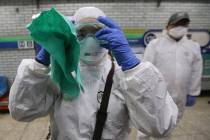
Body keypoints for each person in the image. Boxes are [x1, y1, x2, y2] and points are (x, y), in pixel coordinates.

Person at [9, 7, 178, 140]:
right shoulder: (61, 73)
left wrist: (133, 68)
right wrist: (39, 65)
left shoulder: (126, 76)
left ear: (110, 34)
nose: (90, 40)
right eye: (81, 34)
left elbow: (160, 126)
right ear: (71, 36)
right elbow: (21, 112)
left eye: (97, 33)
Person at [137, 12, 203, 140]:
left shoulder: (193, 47)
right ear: (168, 26)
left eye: (183, 24)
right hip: (156, 95)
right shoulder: (155, 45)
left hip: (180, 95)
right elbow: (146, 69)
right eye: (177, 24)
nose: (180, 27)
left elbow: (196, 71)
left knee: (170, 124)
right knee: (147, 124)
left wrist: (193, 92)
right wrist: (144, 93)